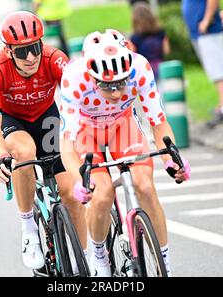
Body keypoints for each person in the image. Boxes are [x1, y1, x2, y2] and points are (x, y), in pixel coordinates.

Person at [59, 29, 191, 277]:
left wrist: (171, 160)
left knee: (146, 188)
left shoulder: (140, 67)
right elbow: (67, 144)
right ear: (92, 77)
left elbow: (158, 121)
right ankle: (99, 255)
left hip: (123, 125)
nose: (117, 93)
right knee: (101, 194)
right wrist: (80, 181)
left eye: (121, 84)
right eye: (108, 86)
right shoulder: (74, 77)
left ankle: (165, 265)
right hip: (87, 131)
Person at [0, 11, 87, 270]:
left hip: (46, 118)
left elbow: (81, 100)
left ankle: (89, 262)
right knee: (24, 152)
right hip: (12, 121)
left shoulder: (54, 59)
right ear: (8, 51)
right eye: (21, 52)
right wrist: (1, 157)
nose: (30, 57)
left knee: (71, 194)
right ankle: (28, 227)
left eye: (35, 47)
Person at [182, 0, 223, 128]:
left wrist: (206, 20)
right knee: (214, 70)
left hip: (208, 31)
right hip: (200, 33)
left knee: (218, 70)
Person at [130, 1, 171, 78]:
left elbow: (132, 57)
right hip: (161, 69)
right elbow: (167, 51)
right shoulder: (160, 32)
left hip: (144, 71)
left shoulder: (135, 37)